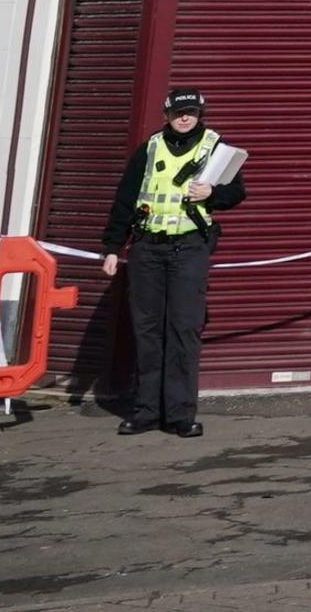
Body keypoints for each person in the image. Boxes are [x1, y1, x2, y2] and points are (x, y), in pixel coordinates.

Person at [100, 86, 243, 438]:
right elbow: (125, 198)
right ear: (167, 115)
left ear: (200, 114)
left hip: (189, 249)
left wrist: (213, 193)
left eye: (191, 112)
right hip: (148, 248)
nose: (184, 118)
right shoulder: (149, 148)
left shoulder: (215, 148)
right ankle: (146, 410)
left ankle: (180, 414)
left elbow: (238, 192)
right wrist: (113, 247)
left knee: (183, 330)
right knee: (147, 331)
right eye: (179, 112)